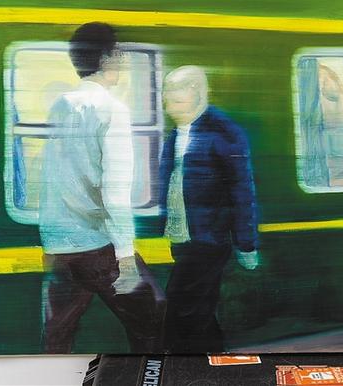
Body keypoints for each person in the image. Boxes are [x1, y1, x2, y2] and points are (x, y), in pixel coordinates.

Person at [38, 22, 166, 353]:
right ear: (108, 58)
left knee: (59, 332)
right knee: (152, 315)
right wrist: (125, 257)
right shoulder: (112, 109)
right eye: (119, 53)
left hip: (59, 243)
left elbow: (54, 176)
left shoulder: (60, 105)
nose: (122, 60)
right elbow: (115, 191)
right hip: (97, 244)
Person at [159, 65, 259, 353]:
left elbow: (242, 191)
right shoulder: (176, 134)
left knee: (184, 303)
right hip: (182, 236)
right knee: (198, 308)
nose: (168, 104)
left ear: (196, 93)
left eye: (175, 97)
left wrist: (246, 243)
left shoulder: (224, 132)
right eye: (167, 97)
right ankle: (212, 359)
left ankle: (187, 362)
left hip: (209, 238)